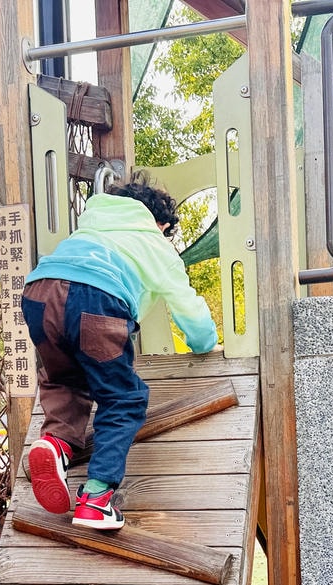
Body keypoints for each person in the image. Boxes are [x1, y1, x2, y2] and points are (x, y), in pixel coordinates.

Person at [21, 172, 218, 530]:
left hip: (38, 293)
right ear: (159, 222)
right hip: (95, 299)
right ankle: (96, 500)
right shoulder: (153, 242)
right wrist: (204, 345)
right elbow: (192, 315)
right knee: (123, 398)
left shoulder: (87, 230)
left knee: (63, 379)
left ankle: (56, 444)